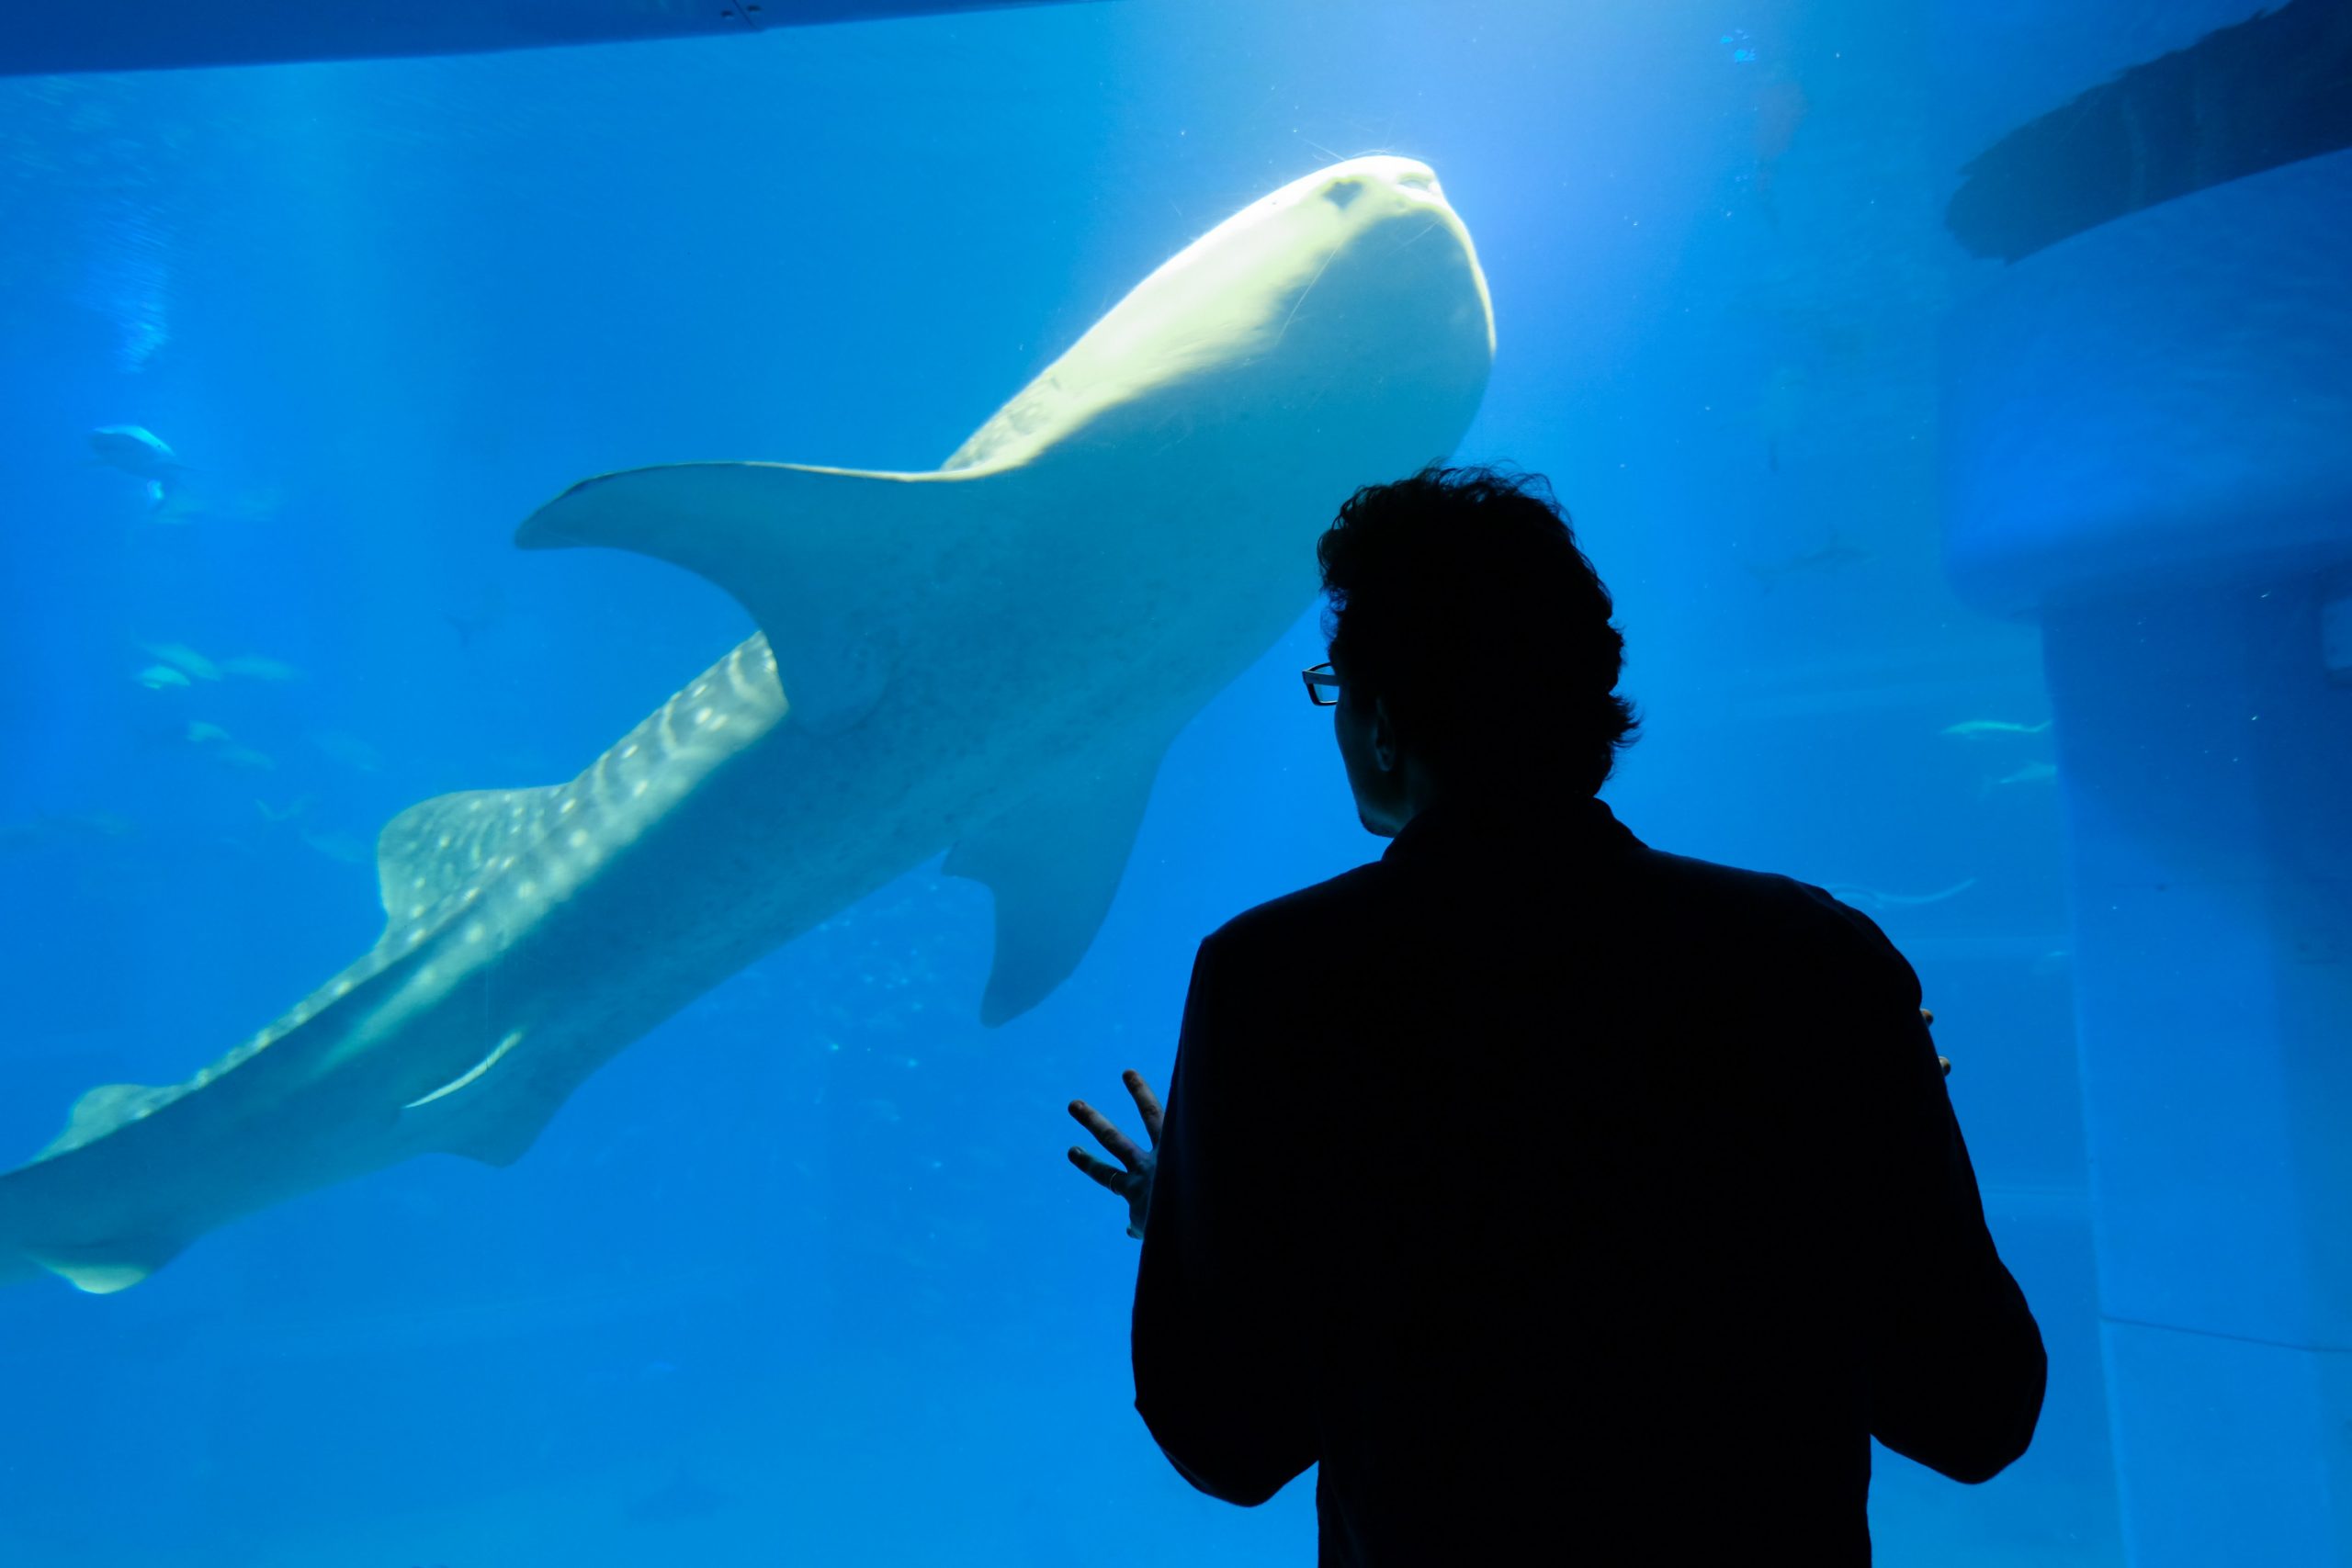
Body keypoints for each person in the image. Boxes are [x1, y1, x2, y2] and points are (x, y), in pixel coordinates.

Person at [1067, 465, 2045, 1563]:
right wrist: (1861, 1156)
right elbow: (1975, 1412)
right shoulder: (1809, 965)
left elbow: (1229, 1444)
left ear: (1384, 722)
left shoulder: (1276, 980)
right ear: (1589, 699)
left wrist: (1201, 1220)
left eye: (1335, 690)